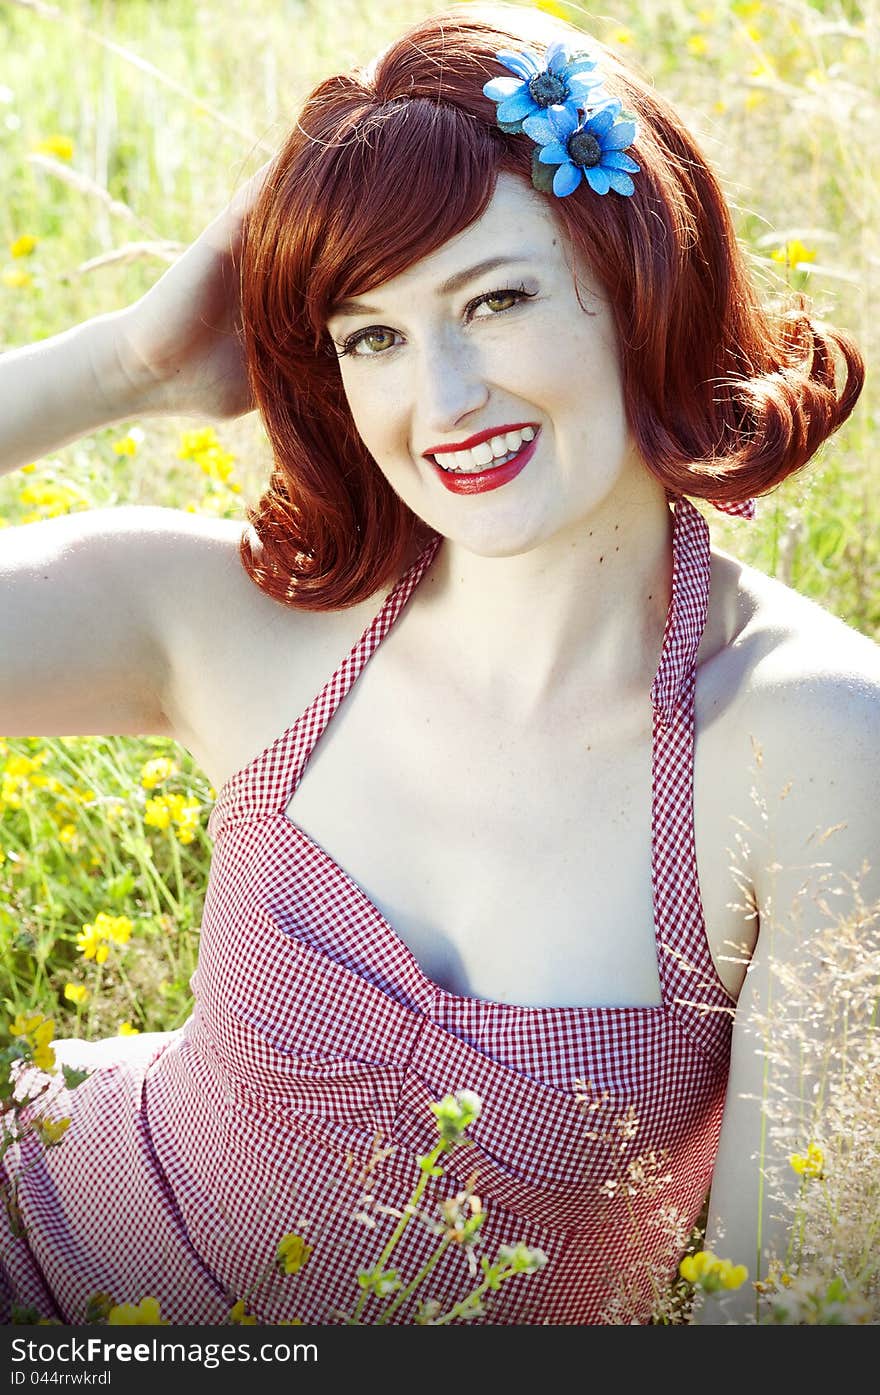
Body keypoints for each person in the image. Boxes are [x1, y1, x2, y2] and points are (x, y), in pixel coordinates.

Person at [1, 0, 877, 1327]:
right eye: (374, 337)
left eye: (498, 300)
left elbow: (781, 1319)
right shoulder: (234, 618)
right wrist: (124, 365)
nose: (446, 394)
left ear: (643, 285)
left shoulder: (811, 745)